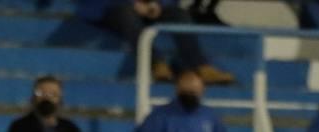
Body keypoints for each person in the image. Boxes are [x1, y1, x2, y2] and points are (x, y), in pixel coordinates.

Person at [76, 0, 233, 85]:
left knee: (179, 15)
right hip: (110, 7)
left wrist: (158, 4)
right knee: (126, 14)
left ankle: (200, 65)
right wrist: (133, 4)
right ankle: (156, 63)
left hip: (149, 6)